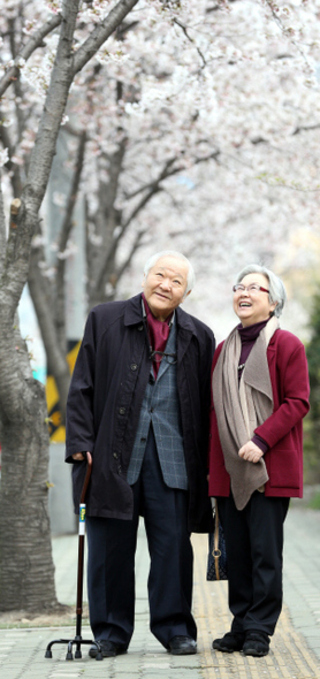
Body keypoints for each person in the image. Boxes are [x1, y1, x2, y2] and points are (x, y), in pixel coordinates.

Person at [66, 250, 215, 657]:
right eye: (160, 275)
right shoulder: (106, 319)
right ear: (145, 275)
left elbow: (206, 406)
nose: (166, 285)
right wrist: (80, 442)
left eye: (176, 281)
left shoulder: (200, 336)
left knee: (173, 548)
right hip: (112, 454)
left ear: (186, 292)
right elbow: (82, 386)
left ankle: (175, 629)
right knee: (110, 549)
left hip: (174, 460)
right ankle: (111, 633)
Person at [208, 264, 310, 658]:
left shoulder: (286, 345)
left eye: (256, 287)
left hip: (268, 466)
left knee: (266, 552)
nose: (244, 293)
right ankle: (240, 622)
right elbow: (215, 411)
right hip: (230, 468)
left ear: (273, 301)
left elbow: (297, 401)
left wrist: (261, 439)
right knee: (237, 551)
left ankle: (259, 630)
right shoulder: (223, 348)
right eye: (240, 286)